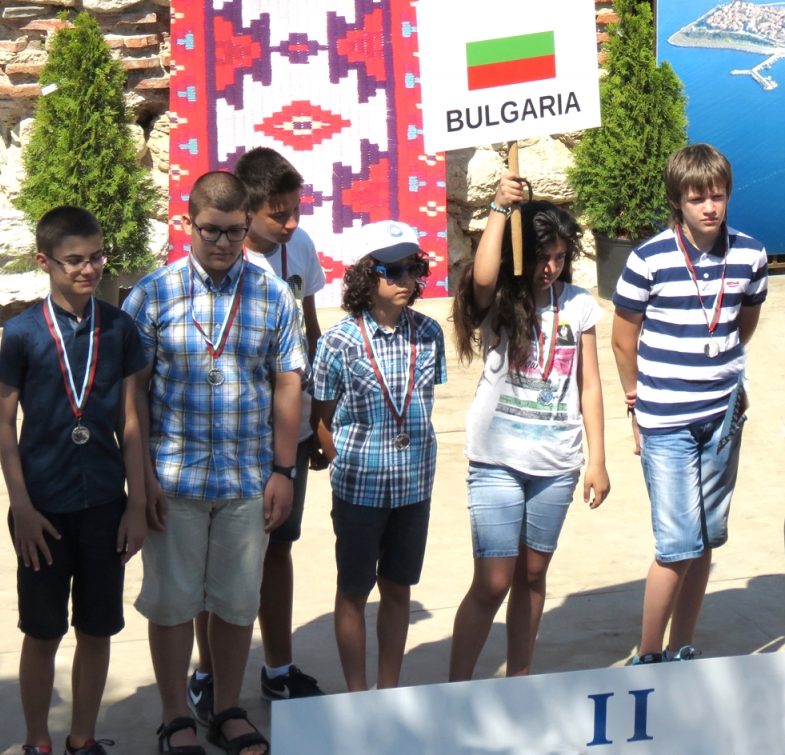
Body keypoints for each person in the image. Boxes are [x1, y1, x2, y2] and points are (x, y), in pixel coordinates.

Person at [123, 172, 305, 755]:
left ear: (247, 225)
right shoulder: (152, 294)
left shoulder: (272, 294)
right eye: (211, 231)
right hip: (173, 479)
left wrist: (283, 472)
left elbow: (288, 383)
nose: (224, 243)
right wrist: (140, 481)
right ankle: (175, 717)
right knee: (172, 604)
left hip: (247, 480)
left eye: (234, 231)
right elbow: (132, 394)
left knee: (235, 603)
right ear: (188, 224)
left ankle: (227, 709)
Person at [0, 206, 147, 755]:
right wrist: (22, 507)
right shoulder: (23, 332)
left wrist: (136, 503)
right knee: (42, 630)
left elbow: (131, 420)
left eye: (97, 257)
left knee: (97, 628)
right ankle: (38, 741)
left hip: (104, 502)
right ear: (45, 262)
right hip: (42, 510)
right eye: (74, 260)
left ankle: (83, 738)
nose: (89, 269)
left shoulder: (120, 327)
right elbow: (4, 423)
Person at [448, 175, 610, 681]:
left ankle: (520, 679)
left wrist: (598, 460)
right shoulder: (501, 298)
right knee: (493, 581)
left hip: (557, 464)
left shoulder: (579, 304)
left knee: (533, 574)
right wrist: (499, 208)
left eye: (560, 257)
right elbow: (481, 277)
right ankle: (455, 689)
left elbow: (589, 386)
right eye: (543, 256)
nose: (551, 268)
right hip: (496, 460)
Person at [612, 144, 767, 664]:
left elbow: (744, 323)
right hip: (667, 422)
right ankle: (647, 655)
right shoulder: (648, 258)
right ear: (677, 201)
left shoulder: (750, 254)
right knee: (676, 544)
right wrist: (635, 404)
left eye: (717, 196)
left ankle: (682, 647)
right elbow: (623, 340)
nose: (709, 207)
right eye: (697, 198)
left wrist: (723, 371)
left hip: (722, 420)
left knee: (704, 540)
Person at [188, 147, 326, 713]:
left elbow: (311, 331)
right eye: (278, 214)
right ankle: (207, 674)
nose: (290, 223)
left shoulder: (300, 248)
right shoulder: (223, 260)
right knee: (213, 559)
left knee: (277, 548)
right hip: (231, 437)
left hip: (287, 433)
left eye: (295, 211)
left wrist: (317, 416)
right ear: (246, 210)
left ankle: (278, 667)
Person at [312, 221, 446, 692]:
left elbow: (425, 399)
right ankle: (357, 694)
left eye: (415, 268)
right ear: (368, 276)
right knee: (353, 589)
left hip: (414, 484)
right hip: (360, 488)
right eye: (395, 270)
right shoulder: (339, 341)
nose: (408, 279)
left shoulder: (429, 333)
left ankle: (388, 690)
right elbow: (321, 417)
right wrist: (343, 460)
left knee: (398, 586)